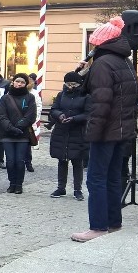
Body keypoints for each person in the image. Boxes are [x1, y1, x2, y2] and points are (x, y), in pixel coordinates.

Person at [72, 17, 138, 242]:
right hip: (122, 130)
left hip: (105, 131)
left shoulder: (103, 64)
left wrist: (94, 132)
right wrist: (82, 73)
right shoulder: (125, 62)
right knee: (112, 177)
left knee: (96, 179)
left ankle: (98, 227)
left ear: (101, 42)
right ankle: (113, 222)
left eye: (94, 43)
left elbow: (101, 103)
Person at [48, 72, 90, 200]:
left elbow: (89, 113)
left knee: (77, 161)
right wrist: (59, 115)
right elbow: (54, 109)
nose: (71, 86)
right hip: (62, 131)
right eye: (68, 84)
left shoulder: (86, 96)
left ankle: (77, 190)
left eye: (74, 84)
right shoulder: (61, 95)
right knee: (62, 160)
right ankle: (61, 188)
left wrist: (74, 118)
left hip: (78, 132)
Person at [0, 73, 37, 194]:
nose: (19, 84)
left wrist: (19, 126)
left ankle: (19, 184)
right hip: (8, 134)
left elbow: (31, 115)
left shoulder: (30, 97)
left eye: (22, 82)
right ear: (13, 82)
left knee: (19, 161)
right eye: (17, 81)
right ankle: (12, 183)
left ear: (26, 84)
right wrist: (11, 128)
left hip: (23, 134)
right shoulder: (5, 98)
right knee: (10, 161)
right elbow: (2, 116)